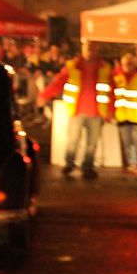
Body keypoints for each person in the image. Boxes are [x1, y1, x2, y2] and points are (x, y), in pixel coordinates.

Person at [38, 42, 114, 179]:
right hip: (77, 111)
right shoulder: (73, 66)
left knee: (91, 143)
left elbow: (111, 91)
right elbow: (59, 82)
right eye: (89, 48)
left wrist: (110, 110)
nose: (91, 51)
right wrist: (45, 95)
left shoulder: (105, 68)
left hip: (96, 112)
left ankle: (87, 166)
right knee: (74, 140)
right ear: (83, 49)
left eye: (93, 48)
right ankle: (70, 164)